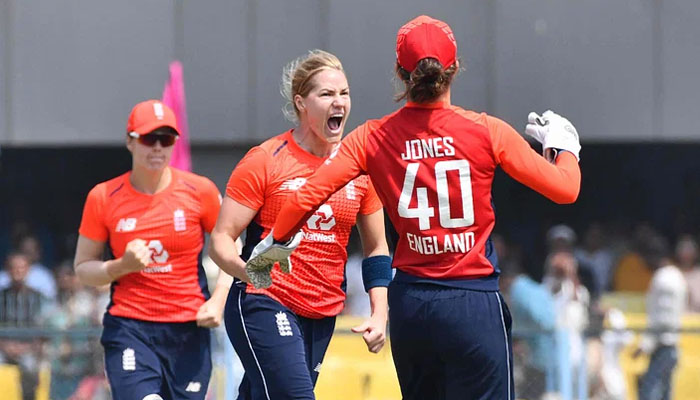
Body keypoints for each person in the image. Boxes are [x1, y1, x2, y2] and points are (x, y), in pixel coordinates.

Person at [250, 16, 582, 400]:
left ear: (400, 73)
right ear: (454, 69)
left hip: (411, 304)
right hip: (472, 300)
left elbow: (308, 195)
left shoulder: (372, 136)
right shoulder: (486, 130)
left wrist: (274, 244)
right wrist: (563, 148)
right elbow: (565, 189)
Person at [209, 49, 391, 400]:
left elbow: (377, 248)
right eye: (326, 94)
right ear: (301, 103)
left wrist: (379, 313)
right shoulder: (265, 160)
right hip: (264, 301)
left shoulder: (361, 168)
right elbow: (221, 239)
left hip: (322, 312)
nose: (339, 102)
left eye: (345, 93)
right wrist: (249, 273)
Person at [73, 99, 232, 400]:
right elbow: (83, 268)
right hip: (130, 327)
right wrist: (122, 265)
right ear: (130, 141)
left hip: (189, 329)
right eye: (149, 138)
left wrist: (219, 300)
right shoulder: (103, 196)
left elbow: (230, 245)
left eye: (166, 138)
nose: (158, 147)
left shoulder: (201, 191)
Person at [633, 235, 687, 400]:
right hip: (668, 346)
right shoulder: (675, 275)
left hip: (663, 346)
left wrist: (645, 344)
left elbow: (663, 319)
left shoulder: (663, 279)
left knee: (649, 395)